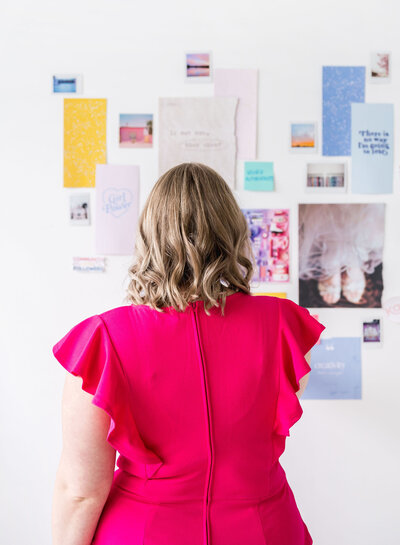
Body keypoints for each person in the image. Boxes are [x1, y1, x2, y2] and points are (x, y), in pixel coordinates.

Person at [51, 162, 325, 545]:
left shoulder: (104, 339)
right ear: (232, 233)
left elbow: (81, 491)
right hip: (263, 530)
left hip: (142, 532)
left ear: (148, 237)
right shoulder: (285, 327)